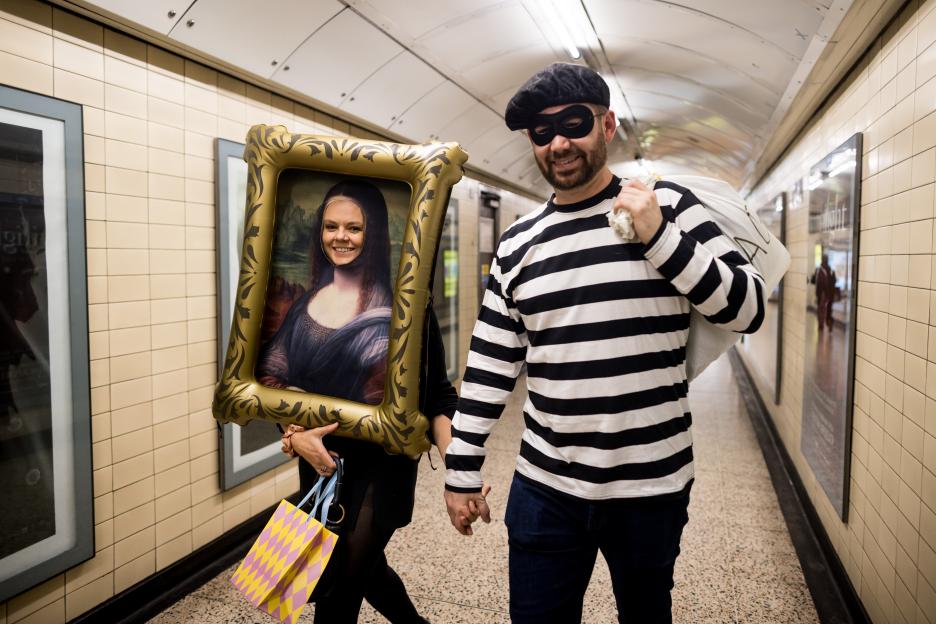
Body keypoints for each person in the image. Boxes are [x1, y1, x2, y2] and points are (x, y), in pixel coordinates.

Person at [443, 63, 766, 623]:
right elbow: (490, 365)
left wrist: (659, 237)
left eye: (573, 123)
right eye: (542, 133)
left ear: (608, 124)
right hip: (547, 486)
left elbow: (749, 307)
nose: (559, 143)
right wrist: (461, 471)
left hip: (652, 486)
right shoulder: (518, 245)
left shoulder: (671, 208)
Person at [256, 179, 457, 624]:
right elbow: (273, 382)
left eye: (354, 227)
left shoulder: (408, 308)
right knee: (367, 573)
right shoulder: (303, 304)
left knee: (336, 598)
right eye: (330, 226)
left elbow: (439, 392)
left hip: (381, 472)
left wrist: (459, 469)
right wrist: (294, 435)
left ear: (375, 233)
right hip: (320, 468)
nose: (340, 237)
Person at [810, 252, 836, 331]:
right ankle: (826, 322)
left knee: (821, 309)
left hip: (821, 293)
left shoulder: (819, 270)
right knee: (827, 309)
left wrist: (812, 277)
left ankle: (822, 324)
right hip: (828, 294)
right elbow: (834, 280)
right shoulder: (830, 270)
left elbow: (813, 281)